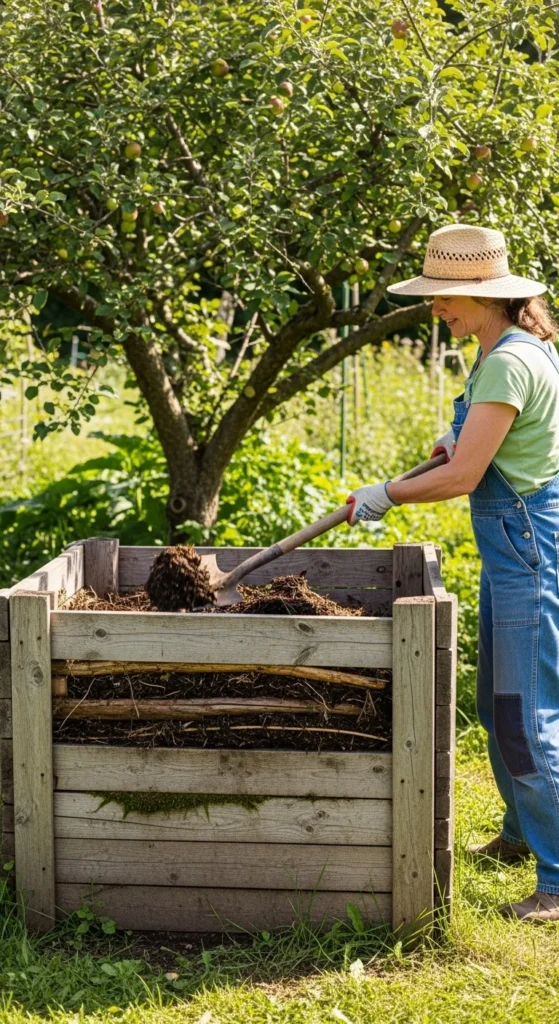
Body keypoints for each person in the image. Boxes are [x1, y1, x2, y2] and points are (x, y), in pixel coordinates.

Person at [346, 224, 559, 923]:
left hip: (524, 542)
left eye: (446, 297)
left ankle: (555, 881)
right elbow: (482, 443)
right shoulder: (501, 349)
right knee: (494, 694)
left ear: (485, 295)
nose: (435, 307)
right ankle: (519, 833)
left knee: (523, 712)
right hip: (516, 541)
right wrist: (453, 437)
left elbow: (468, 476)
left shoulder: (506, 360)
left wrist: (388, 495)